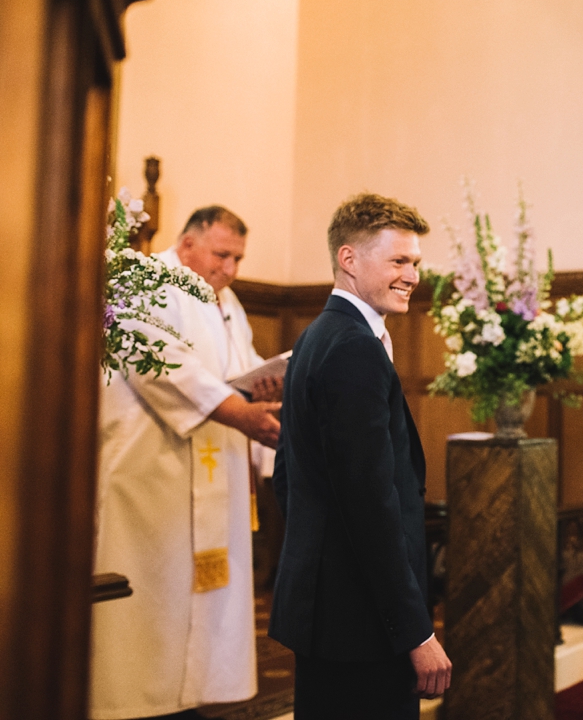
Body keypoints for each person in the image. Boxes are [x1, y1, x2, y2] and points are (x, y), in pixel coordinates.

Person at [91, 206, 282, 719]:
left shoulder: (228, 303)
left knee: (200, 595)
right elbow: (162, 365)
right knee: (152, 587)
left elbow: (238, 369)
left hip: (213, 462)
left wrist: (258, 389)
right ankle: (130, 699)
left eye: (238, 258)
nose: (230, 269)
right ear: (187, 242)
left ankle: (191, 693)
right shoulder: (140, 282)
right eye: (222, 254)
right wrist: (237, 410)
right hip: (153, 469)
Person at [269, 193, 451, 719]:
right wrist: (414, 631)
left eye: (415, 262)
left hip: (330, 610)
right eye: (399, 261)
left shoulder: (315, 337)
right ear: (349, 259)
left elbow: (290, 475)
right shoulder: (353, 348)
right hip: (361, 622)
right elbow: (370, 507)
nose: (413, 275)